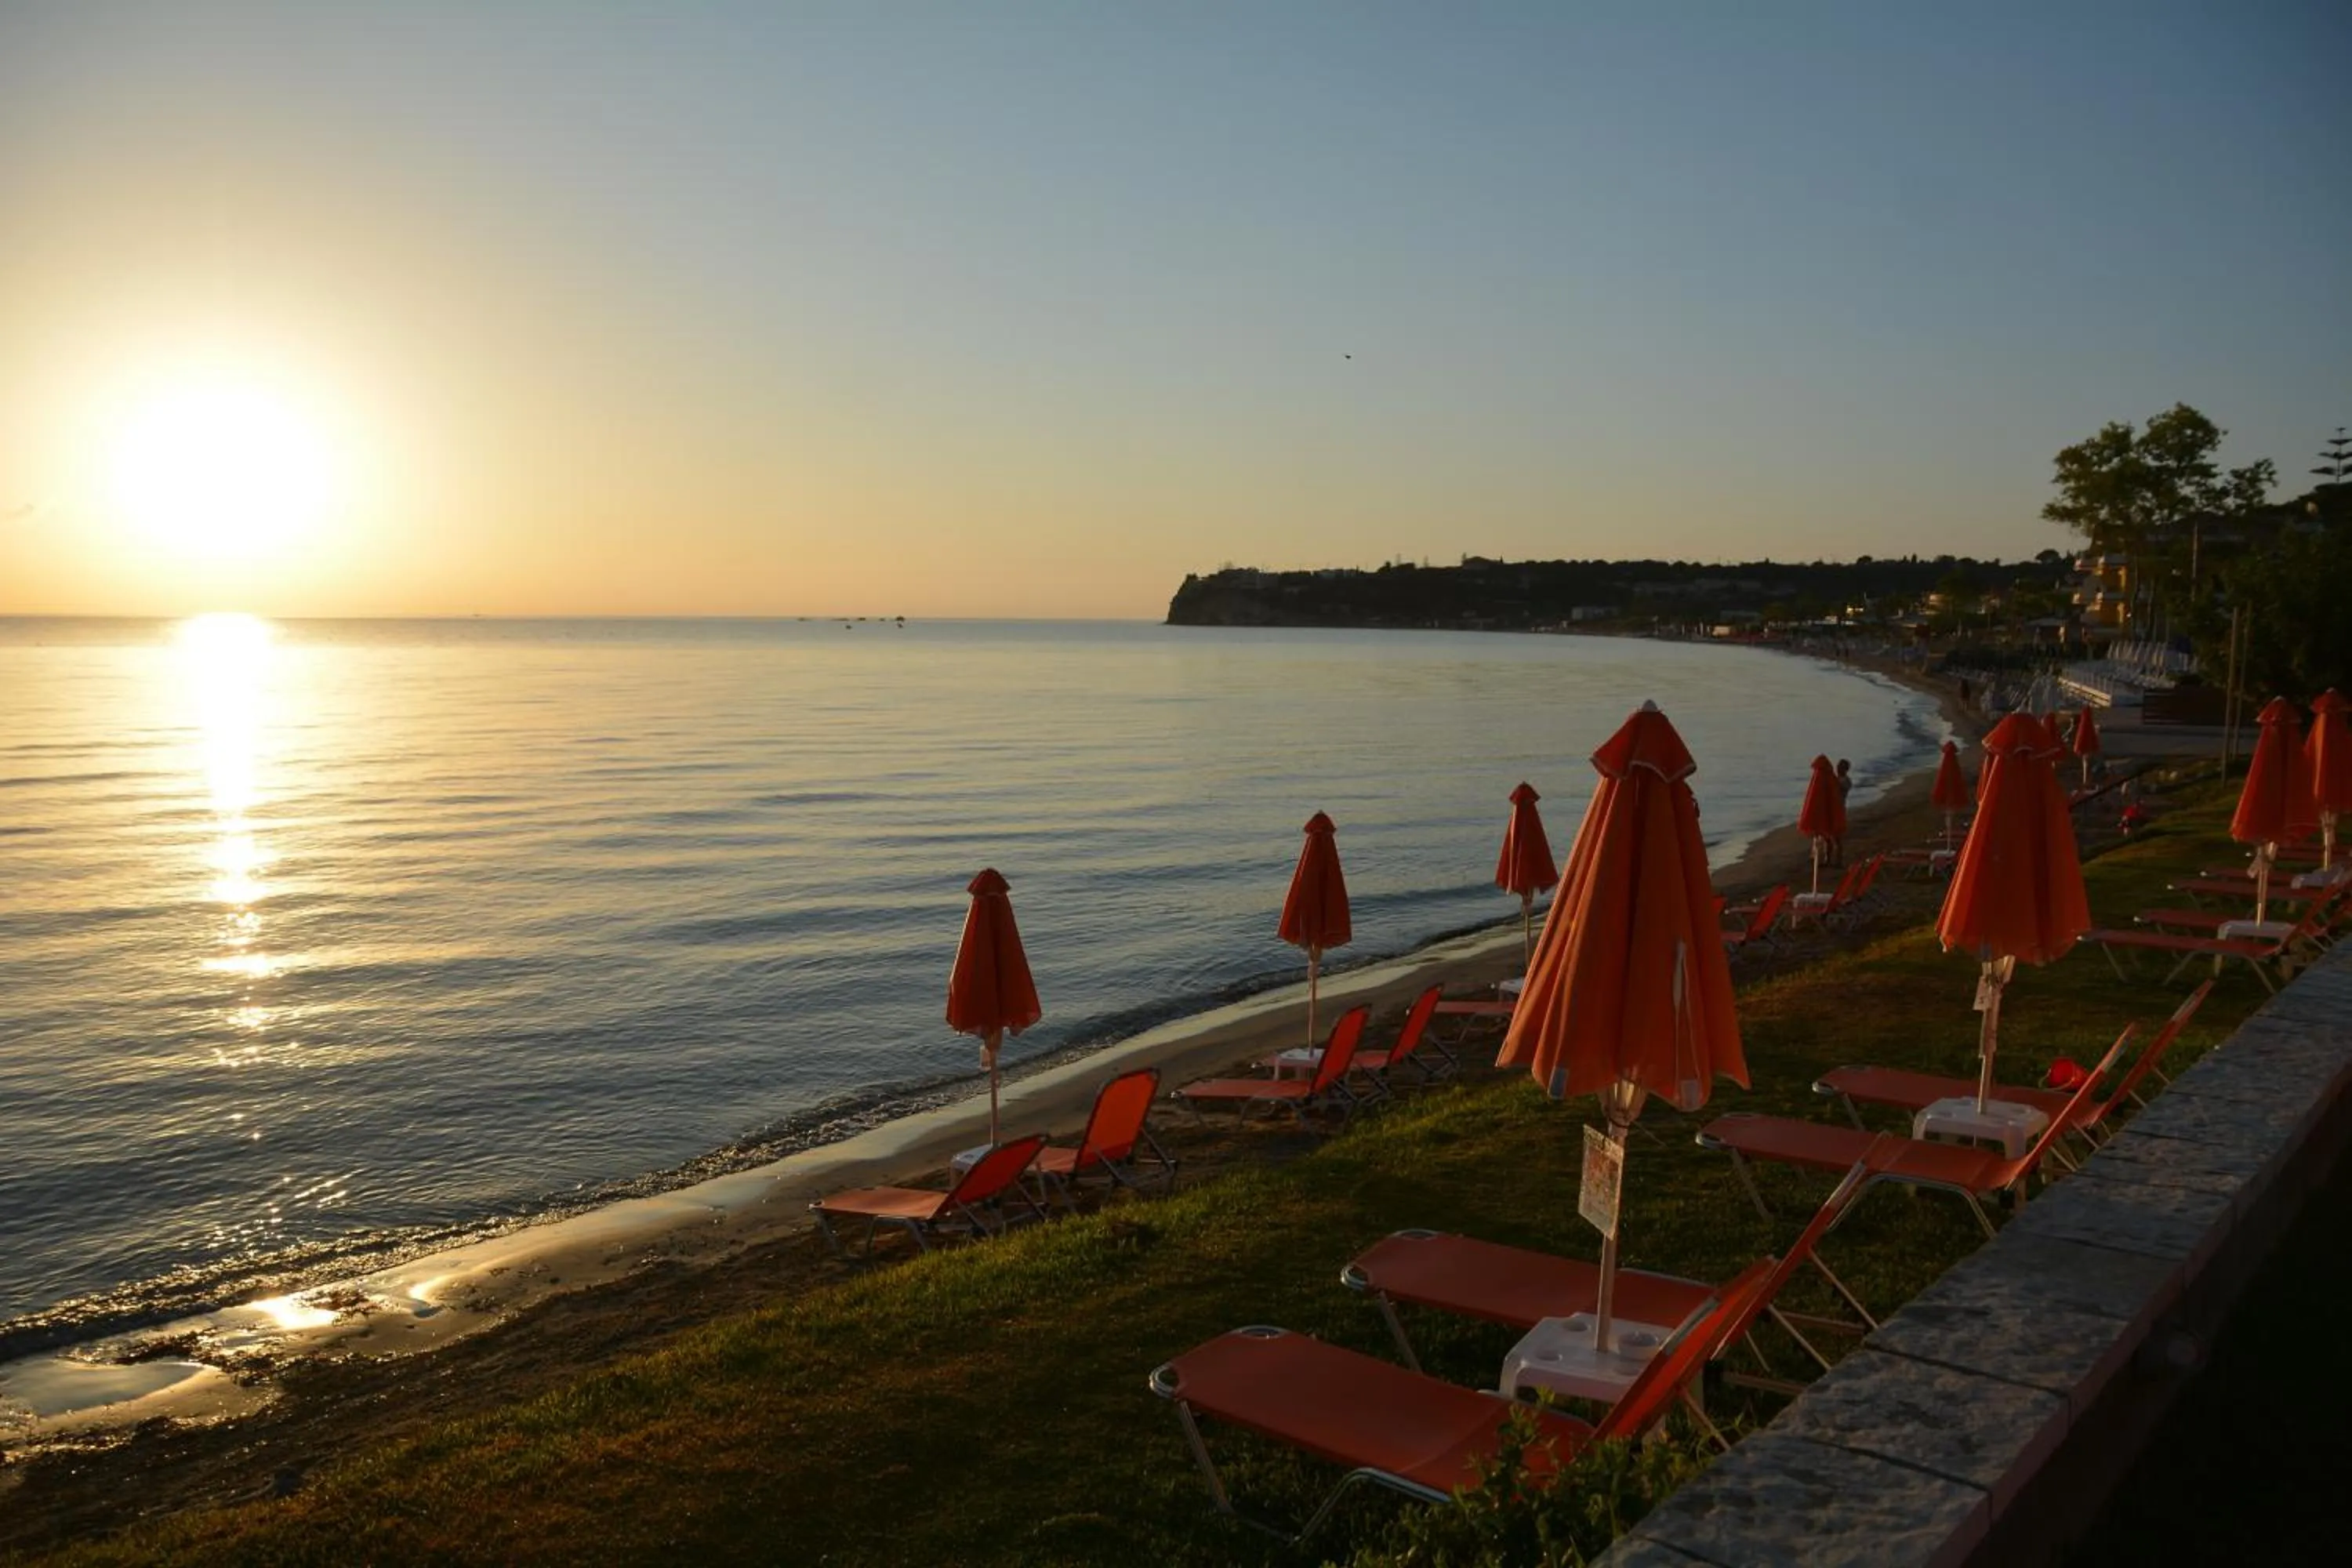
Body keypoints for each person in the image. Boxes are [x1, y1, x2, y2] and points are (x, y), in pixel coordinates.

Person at [1829, 758, 1853, 866]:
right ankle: (1829, 859)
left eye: (1840, 767)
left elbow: (1837, 788)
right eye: (1838, 766)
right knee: (1829, 835)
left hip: (1839, 809)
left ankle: (1839, 861)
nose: (1838, 768)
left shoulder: (1846, 781)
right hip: (1833, 808)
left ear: (1845, 769)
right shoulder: (1837, 779)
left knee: (1837, 836)